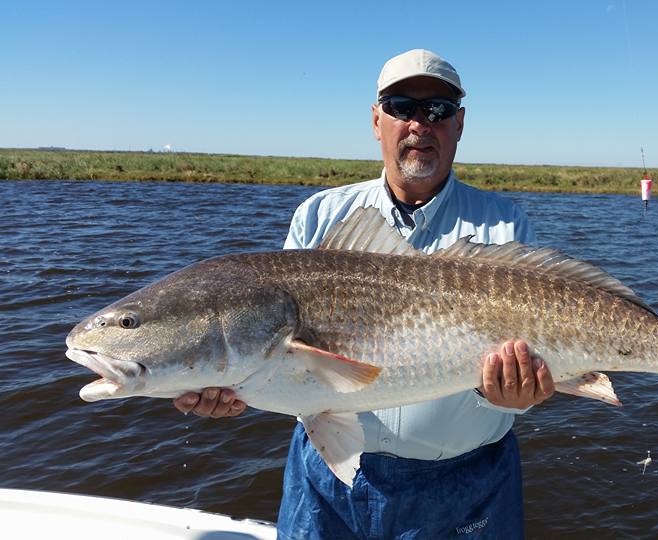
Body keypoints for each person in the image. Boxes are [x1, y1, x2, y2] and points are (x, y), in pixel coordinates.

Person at [173, 49, 555, 539]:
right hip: (326, 479)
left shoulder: (502, 224)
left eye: (437, 110)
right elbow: (274, 358)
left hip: (467, 484)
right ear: (377, 121)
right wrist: (225, 383)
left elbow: (528, 364)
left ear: (459, 124)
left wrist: (514, 395)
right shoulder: (320, 216)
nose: (419, 123)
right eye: (400, 106)